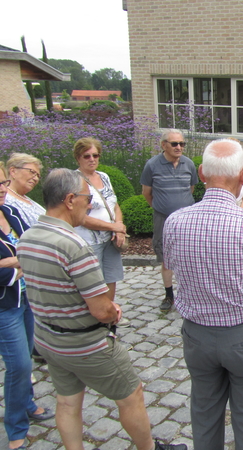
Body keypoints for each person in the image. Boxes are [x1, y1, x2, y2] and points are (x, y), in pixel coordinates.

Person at [17, 169, 185, 450]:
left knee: (67, 402)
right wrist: (113, 310)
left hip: (48, 339)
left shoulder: (29, 235)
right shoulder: (73, 246)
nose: (91, 204)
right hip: (86, 343)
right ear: (70, 200)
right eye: (87, 198)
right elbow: (101, 310)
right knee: (132, 395)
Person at [163, 139, 243, 450]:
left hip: (197, 336)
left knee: (203, 412)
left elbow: (173, 266)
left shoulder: (175, 221)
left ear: (201, 173)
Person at [0, 162, 53, 450]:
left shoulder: (9, 212)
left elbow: (30, 245)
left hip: (26, 296)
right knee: (18, 365)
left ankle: (29, 403)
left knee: (28, 358)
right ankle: (16, 428)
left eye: (3, 183)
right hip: (4, 305)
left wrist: (13, 262)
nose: (2, 190)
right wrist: (13, 265)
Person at [141, 129, 198, 312]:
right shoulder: (152, 165)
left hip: (187, 221)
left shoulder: (188, 164)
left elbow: (191, 188)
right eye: (174, 144)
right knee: (166, 258)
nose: (179, 147)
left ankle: (191, 293)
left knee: (189, 256)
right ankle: (169, 295)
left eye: (182, 143)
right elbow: (146, 193)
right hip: (163, 219)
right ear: (163, 145)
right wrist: (161, 206)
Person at [73, 137, 128, 305]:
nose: (92, 159)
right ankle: (95, 315)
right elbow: (80, 217)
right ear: (78, 158)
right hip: (89, 241)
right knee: (94, 281)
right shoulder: (74, 181)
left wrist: (118, 228)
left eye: (95, 155)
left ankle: (109, 312)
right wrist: (113, 226)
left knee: (111, 276)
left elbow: (114, 205)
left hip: (110, 238)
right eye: (86, 156)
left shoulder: (104, 177)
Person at [5, 153, 45, 227]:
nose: (36, 179)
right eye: (32, 172)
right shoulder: (4, 198)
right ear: (13, 171)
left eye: (38, 176)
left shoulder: (31, 201)